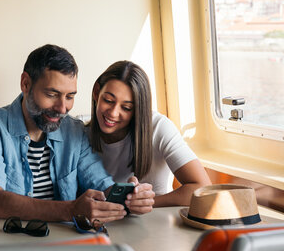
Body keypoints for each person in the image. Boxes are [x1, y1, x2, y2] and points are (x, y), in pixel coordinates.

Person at [0, 45, 155, 223]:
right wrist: (70, 210)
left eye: (70, 96)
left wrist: (130, 197)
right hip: (2, 246)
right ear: (25, 84)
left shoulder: (74, 131)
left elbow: (102, 185)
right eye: (52, 94)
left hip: (61, 245)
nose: (62, 108)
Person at [88, 60, 211, 208]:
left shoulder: (159, 127)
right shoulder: (81, 135)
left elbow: (203, 189)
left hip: (156, 220)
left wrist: (147, 203)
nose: (113, 113)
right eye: (108, 100)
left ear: (138, 109)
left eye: (126, 108)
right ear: (96, 92)